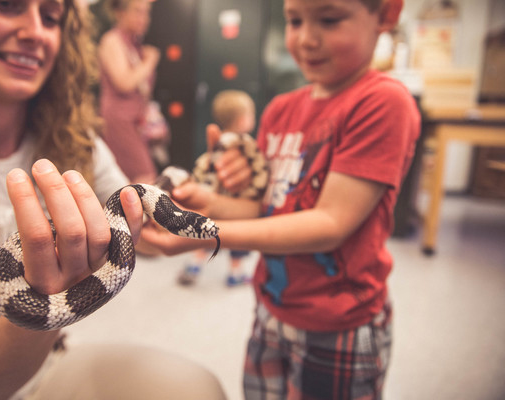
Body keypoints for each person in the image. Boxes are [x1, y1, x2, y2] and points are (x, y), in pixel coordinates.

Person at [0, 1, 226, 399]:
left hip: (48, 364)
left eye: (52, 17)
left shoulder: (74, 137)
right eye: (8, 4)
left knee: (196, 388)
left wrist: (217, 186)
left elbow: (141, 223)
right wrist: (39, 309)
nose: (36, 31)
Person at [142, 0, 420, 398]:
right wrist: (209, 201)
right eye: (293, 20)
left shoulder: (382, 102)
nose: (306, 39)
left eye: (329, 19)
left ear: (386, 15)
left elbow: (329, 225)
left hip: (339, 322)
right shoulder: (279, 110)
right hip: (270, 310)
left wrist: (207, 232)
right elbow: (268, 209)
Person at [178, 90, 257, 287]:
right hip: (235, 204)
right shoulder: (246, 145)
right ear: (243, 120)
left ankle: (194, 265)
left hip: (211, 201)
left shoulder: (217, 144)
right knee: (238, 239)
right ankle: (235, 273)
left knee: (207, 235)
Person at [97, 0, 161, 183]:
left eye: (146, 12)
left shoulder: (133, 43)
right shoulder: (112, 40)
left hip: (136, 121)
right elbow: (124, 82)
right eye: (138, 12)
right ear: (120, 13)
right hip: (119, 120)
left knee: (133, 178)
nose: (144, 18)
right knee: (144, 176)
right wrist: (149, 61)